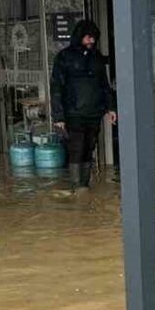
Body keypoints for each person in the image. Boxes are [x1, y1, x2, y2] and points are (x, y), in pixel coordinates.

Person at [50, 19, 117, 189]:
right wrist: (58, 116)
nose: (92, 41)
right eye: (88, 37)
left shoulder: (97, 58)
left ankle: (84, 186)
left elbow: (104, 85)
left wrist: (111, 108)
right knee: (76, 149)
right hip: (73, 113)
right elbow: (56, 87)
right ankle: (76, 186)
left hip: (94, 113)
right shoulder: (64, 57)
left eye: (94, 38)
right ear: (80, 37)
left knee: (89, 149)